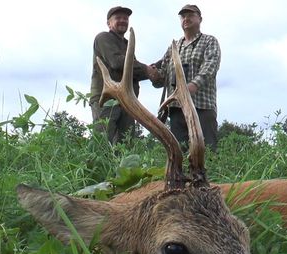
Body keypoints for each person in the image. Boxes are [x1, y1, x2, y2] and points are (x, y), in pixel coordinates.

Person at [151, 4, 221, 151]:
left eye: (190, 15)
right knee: (179, 154)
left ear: (200, 19)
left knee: (207, 153)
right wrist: (152, 74)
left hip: (201, 107)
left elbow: (210, 67)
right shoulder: (174, 47)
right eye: (183, 16)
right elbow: (162, 77)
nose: (186, 19)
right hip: (177, 110)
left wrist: (191, 87)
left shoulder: (209, 41)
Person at [90, 6, 158, 144]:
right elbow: (117, 62)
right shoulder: (103, 38)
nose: (123, 21)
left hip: (126, 100)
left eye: (125, 18)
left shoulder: (127, 44)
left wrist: (153, 71)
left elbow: (132, 71)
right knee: (102, 144)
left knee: (126, 145)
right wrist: (147, 70)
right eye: (118, 18)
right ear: (109, 23)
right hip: (106, 99)